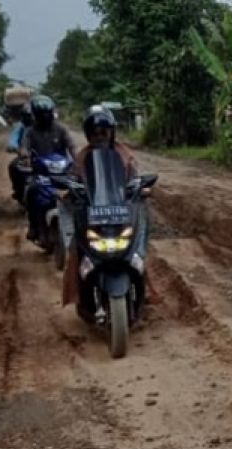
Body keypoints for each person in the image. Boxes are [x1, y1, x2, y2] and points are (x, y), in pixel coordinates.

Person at [62, 105, 154, 309]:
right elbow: (70, 181)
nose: (99, 136)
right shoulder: (81, 159)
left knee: (141, 244)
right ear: (88, 135)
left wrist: (140, 188)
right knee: (75, 248)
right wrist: (69, 190)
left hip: (122, 213)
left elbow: (135, 178)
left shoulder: (124, 155)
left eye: (103, 131)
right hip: (92, 216)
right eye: (94, 133)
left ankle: (145, 286)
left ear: (112, 132)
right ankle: (79, 296)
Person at [18, 95, 77, 243]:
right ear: (35, 115)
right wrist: (25, 158)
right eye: (41, 114)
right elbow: (24, 147)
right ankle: (34, 226)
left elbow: (72, 146)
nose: (45, 117)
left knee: (79, 192)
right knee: (31, 191)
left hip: (62, 173)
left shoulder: (61, 129)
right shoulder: (30, 132)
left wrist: (78, 160)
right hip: (41, 173)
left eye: (47, 113)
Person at [6, 104, 33, 202]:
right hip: (25, 158)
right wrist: (16, 148)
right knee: (13, 166)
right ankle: (18, 189)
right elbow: (12, 141)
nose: (30, 118)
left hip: (43, 157)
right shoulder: (20, 127)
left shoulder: (43, 127)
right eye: (27, 116)